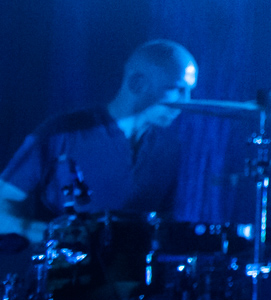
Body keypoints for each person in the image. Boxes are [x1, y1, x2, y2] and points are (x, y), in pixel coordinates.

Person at [0, 39, 197, 243]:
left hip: (134, 273)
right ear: (137, 83)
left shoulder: (170, 150)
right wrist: (51, 235)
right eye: (177, 89)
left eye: (190, 91)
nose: (186, 102)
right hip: (64, 269)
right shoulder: (61, 133)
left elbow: (163, 225)